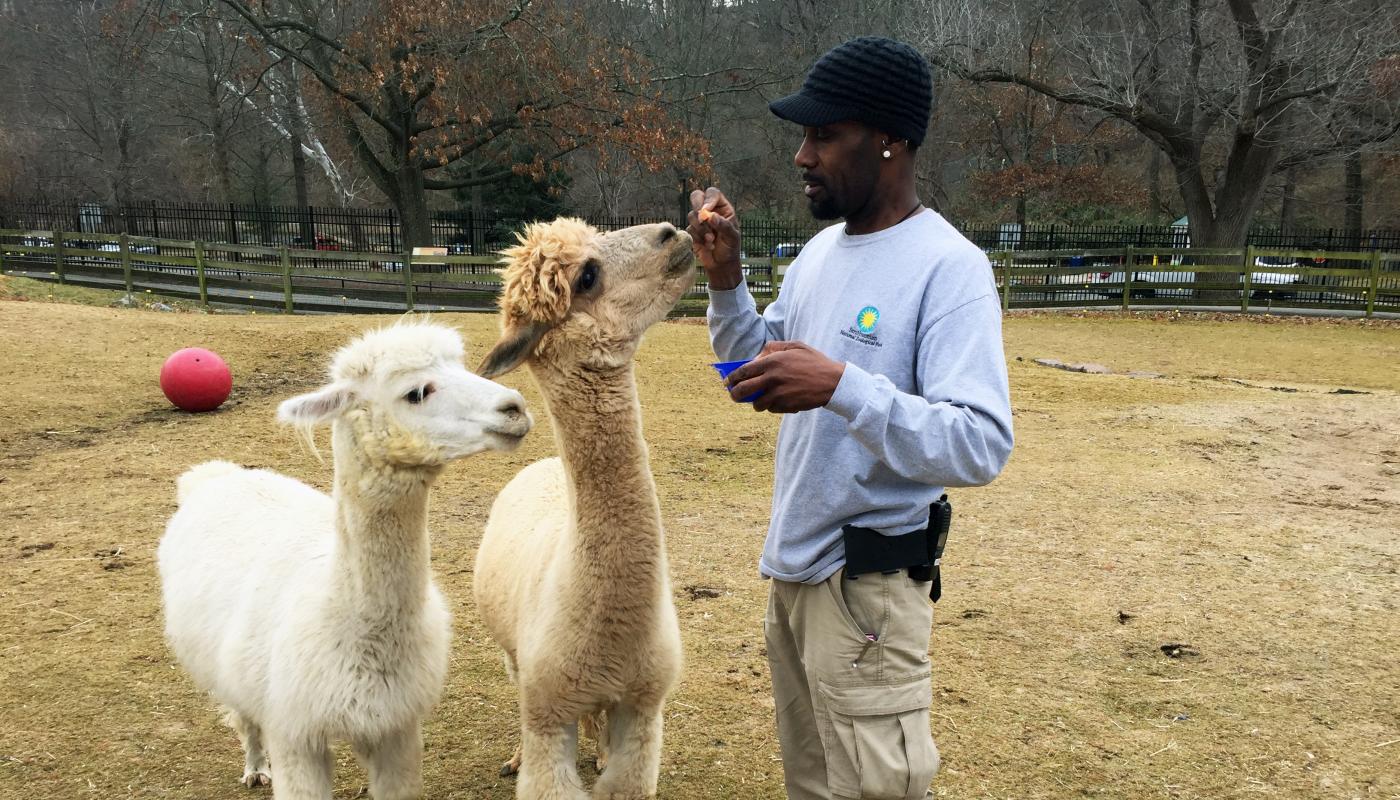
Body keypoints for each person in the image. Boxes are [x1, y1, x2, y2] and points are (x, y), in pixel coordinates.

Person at [686, 36, 1014, 800]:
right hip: (793, 582)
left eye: (824, 136)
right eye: (805, 136)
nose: (802, 156)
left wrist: (843, 385)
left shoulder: (949, 266)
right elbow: (754, 372)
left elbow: (981, 442)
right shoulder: (821, 254)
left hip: (866, 594)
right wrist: (727, 280)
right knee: (812, 787)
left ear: (890, 141)